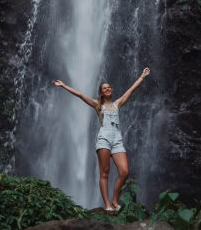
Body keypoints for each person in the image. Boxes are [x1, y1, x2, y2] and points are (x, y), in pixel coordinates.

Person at [52, 67, 151, 212]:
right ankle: (107, 205)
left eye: (109, 87)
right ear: (101, 92)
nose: (108, 89)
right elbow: (80, 95)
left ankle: (115, 199)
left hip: (117, 139)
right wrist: (64, 85)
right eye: (105, 88)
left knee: (124, 172)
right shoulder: (98, 105)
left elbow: (131, 89)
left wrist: (142, 77)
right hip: (104, 138)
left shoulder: (117, 104)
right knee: (105, 172)